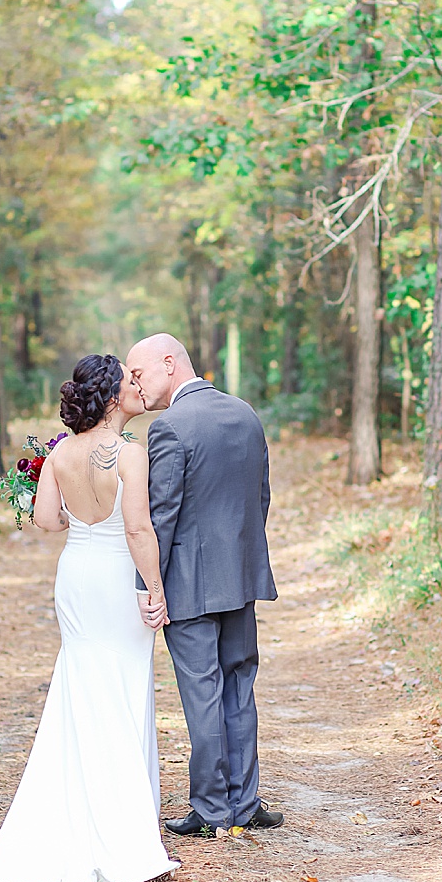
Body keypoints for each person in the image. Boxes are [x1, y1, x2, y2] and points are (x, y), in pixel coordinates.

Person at [0, 354, 179, 882]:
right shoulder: (129, 454)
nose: (137, 387)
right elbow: (140, 531)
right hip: (119, 579)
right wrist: (156, 592)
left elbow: (46, 520)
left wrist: (68, 504)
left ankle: (78, 818)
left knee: (83, 687)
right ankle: (123, 833)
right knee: (122, 690)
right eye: (129, 382)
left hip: (76, 576)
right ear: (113, 397)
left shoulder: (59, 455)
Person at [125, 333, 282, 837]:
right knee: (239, 685)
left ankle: (212, 810)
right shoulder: (245, 413)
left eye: (139, 373)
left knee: (204, 694)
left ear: (169, 364)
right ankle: (245, 801)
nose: (134, 385)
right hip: (240, 576)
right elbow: (261, 498)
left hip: (189, 587)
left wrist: (149, 586)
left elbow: (161, 518)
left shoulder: (170, 427)